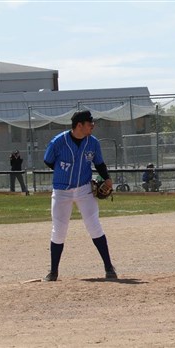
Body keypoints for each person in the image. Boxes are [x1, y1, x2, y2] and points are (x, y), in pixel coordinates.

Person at [42, 110, 117, 281]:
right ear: (79, 125)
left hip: (84, 189)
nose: (92, 125)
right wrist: (63, 171)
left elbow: (99, 163)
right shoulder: (59, 142)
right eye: (89, 123)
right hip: (61, 191)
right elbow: (48, 160)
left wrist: (107, 179)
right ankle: (53, 272)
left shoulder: (93, 143)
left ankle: (109, 267)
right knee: (59, 231)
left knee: (94, 226)